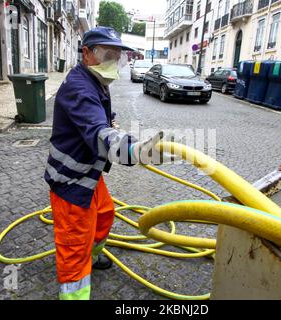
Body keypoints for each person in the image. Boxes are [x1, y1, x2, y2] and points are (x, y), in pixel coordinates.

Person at [44, 26, 174, 300]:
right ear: (87, 53)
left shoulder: (95, 81)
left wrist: (113, 123)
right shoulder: (80, 88)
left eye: (117, 57)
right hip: (70, 181)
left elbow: (103, 119)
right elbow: (98, 133)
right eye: (107, 55)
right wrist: (135, 150)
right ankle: (75, 292)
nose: (113, 63)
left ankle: (91, 255)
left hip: (89, 174)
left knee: (104, 214)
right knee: (74, 244)